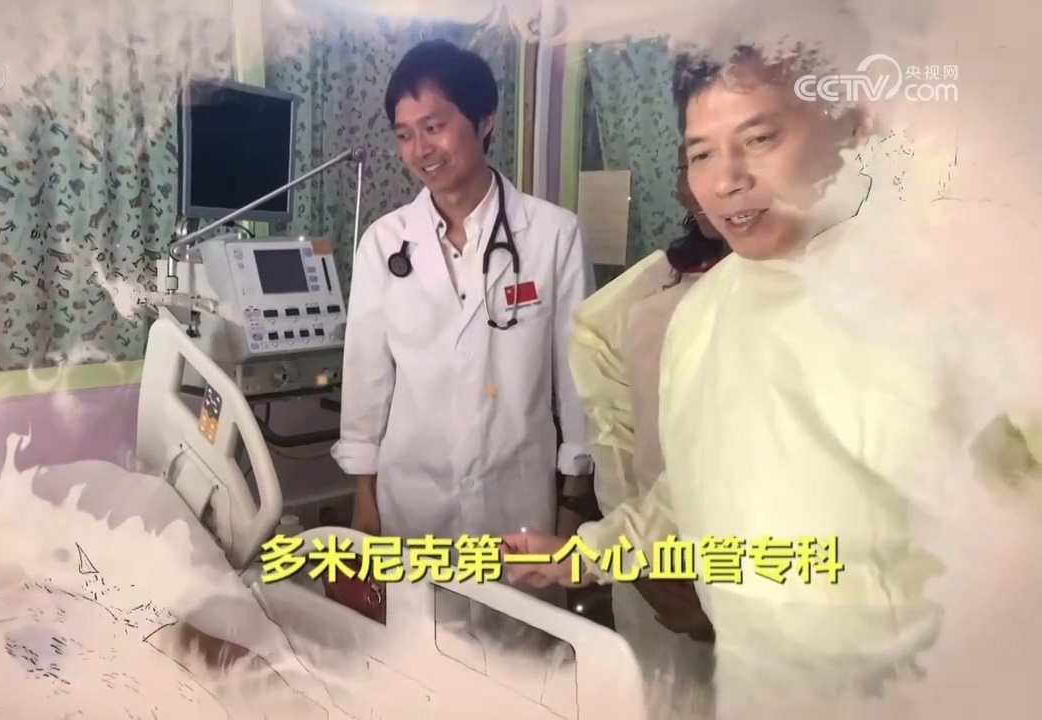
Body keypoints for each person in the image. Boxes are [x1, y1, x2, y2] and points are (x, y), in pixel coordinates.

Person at [503, 41, 1042, 719]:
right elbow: (695, 492)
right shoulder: (704, 317)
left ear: (852, 124)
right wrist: (583, 553)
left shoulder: (973, 280)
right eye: (702, 153)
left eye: (759, 139)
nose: (727, 179)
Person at [332, 39, 594, 555]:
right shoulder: (384, 243)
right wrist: (364, 498)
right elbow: (367, 379)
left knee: (518, 610)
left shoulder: (553, 235)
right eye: (405, 134)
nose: (420, 150)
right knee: (417, 609)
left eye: (434, 127)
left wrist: (574, 500)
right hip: (411, 503)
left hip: (517, 504)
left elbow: (577, 379)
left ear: (485, 121)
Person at [564, 145, 729, 718]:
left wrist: (729, 612)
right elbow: (615, 440)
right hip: (656, 578)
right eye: (694, 159)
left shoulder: (825, 294)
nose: (710, 182)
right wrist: (638, 564)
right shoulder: (646, 297)